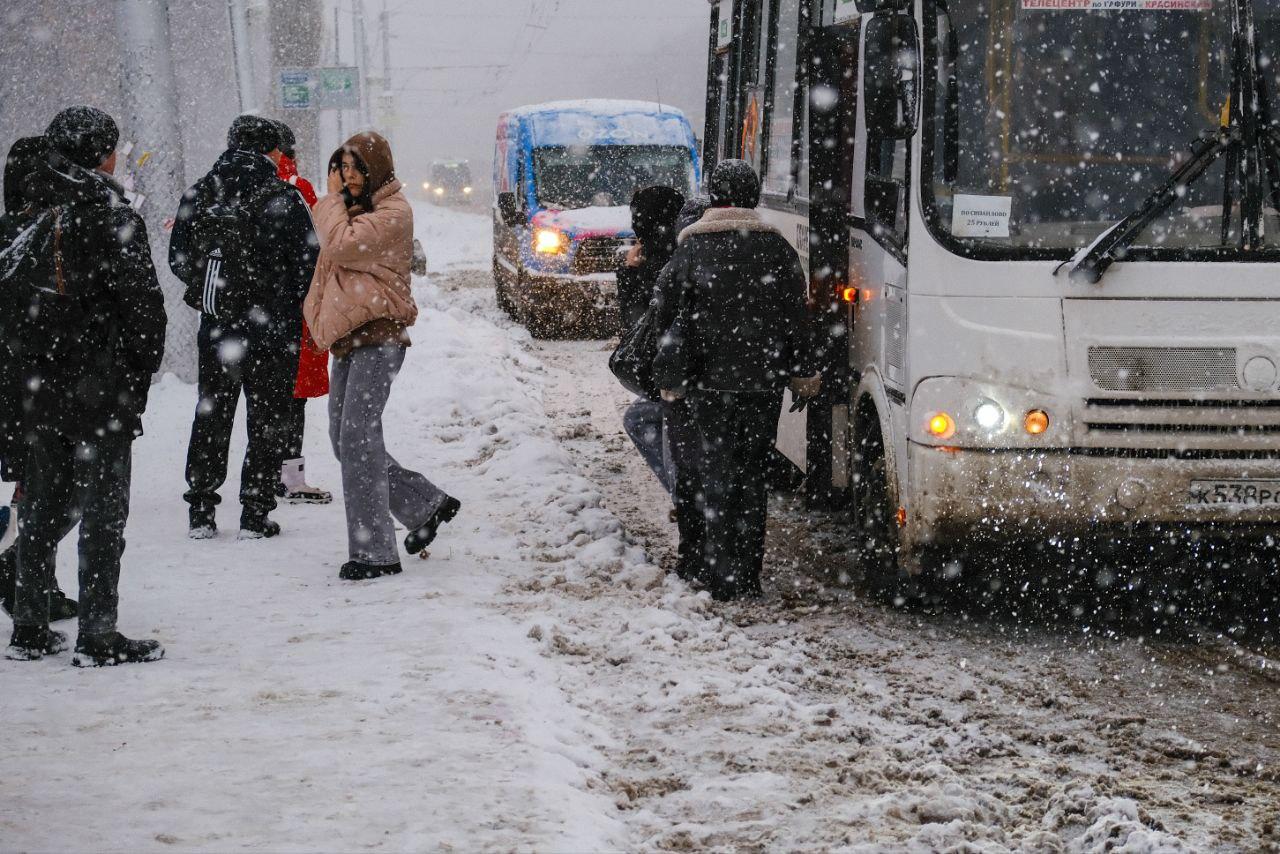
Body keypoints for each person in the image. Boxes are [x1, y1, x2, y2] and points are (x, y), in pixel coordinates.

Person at [4, 106, 167, 664]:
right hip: (100, 387)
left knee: (43, 504)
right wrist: (137, 373)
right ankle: (97, 635)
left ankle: (28, 627)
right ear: (103, 153)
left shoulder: (27, 207)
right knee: (102, 511)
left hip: (38, 381)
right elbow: (144, 307)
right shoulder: (110, 213)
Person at [653, 160, 820, 601]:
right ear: (753, 197)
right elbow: (796, 318)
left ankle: (714, 571)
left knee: (711, 471)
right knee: (751, 474)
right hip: (761, 383)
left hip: (705, 385)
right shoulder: (777, 249)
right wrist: (803, 372)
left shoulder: (690, 250)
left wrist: (671, 378)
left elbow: (667, 320)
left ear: (712, 197)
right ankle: (747, 574)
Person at [304, 131, 461, 581]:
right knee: (344, 438)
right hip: (351, 337)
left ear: (376, 168)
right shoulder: (355, 212)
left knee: (357, 437)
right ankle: (423, 503)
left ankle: (374, 553)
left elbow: (338, 245)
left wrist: (330, 200)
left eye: (356, 168)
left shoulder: (393, 213)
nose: (348, 177)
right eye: (343, 167)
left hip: (380, 338)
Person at [170, 115, 319, 539]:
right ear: (271, 151)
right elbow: (310, 264)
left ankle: (201, 508)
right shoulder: (285, 198)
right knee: (267, 417)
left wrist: (215, 290)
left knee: (212, 413)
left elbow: (178, 256)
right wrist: (277, 299)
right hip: (274, 329)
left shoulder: (200, 191)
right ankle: (255, 513)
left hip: (218, 327)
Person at [0, 136, 79, 622]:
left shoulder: (17, 231)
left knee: (40, 485)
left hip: (20, 383)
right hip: (39, 383)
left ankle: (29, 575)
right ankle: (25, 572)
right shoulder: (43, 234)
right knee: (57, 487)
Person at [269, 120, 332, 505]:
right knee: (292, 399)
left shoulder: (240, 187)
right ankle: (290, 477)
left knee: (270, 398)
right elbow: (316, 252)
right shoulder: (297, 189)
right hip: (297, 310)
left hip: (262, 312)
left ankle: (266, 473)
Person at [617, 185, 685, 496]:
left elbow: (637, 325)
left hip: (676, 375)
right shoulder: (687, 246)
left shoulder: (661, 263)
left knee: (646, 421)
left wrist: (629, 274)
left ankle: (683, 499)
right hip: (697, 369)